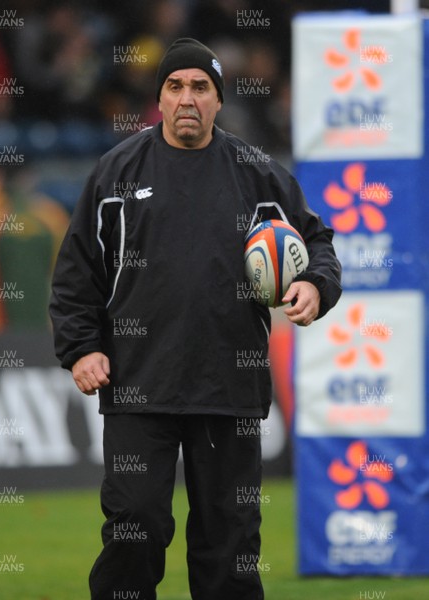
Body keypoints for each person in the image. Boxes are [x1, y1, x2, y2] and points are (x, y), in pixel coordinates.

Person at [49, 38, 341, 600]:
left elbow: (317, 241)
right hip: (137, 385)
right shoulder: (117, 171)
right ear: (159, 98)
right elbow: (75, 272)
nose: (187, 98)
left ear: (218, 99)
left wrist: (313, 284)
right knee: (136, 529)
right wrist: (81, 348)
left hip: (228, 387)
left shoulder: (258, 174)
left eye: (200, 87)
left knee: (229, 549)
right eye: (175, 86)